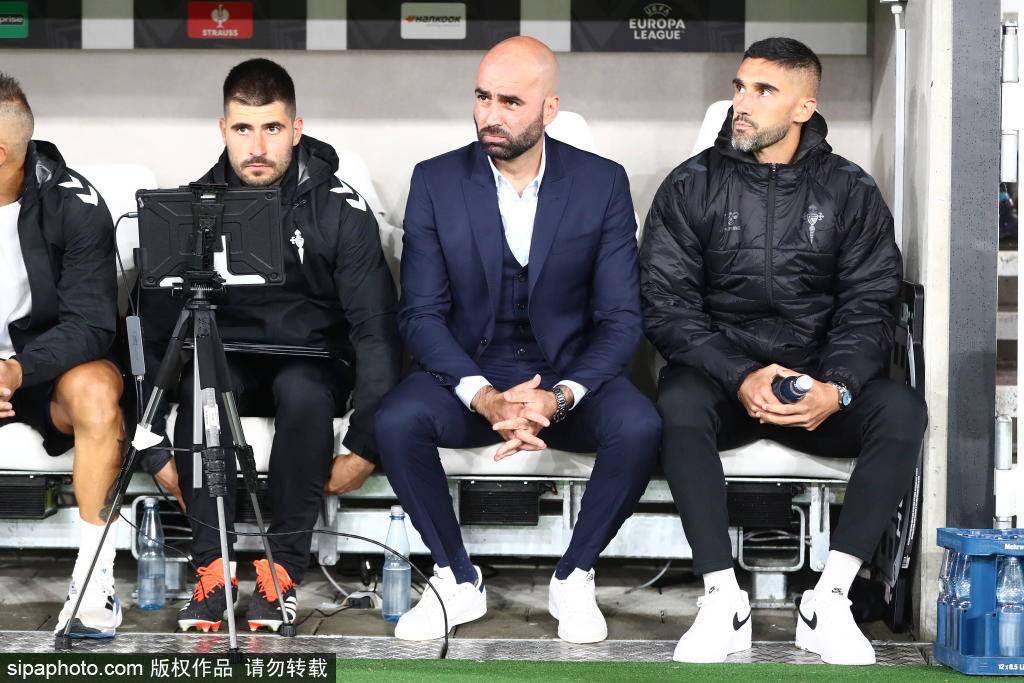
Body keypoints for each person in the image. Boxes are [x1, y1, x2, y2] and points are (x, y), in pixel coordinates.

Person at [641, 37, 928, 666]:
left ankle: (830, 598)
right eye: (740, 86)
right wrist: (741, 375)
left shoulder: (849, 189)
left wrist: (837, 387)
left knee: (901, 410)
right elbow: (666, 306)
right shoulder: (691, 185)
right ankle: (722, 598)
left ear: (804, 107)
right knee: (677, 402)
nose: (741, 103)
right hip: (723, 384)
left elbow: (870, 304)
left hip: (814, 389)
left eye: (763, 90)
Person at [376, 36, 661, 644]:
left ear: (549, 109)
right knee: (396, 421)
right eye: (482, 97)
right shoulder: (435, 180)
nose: (490, 115)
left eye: (510, 102)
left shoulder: (601, 183)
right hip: (469, 373)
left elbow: (621, 318)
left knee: (639, 426)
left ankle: (574, 575)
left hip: (567, 374)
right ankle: (456, 578)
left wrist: (559, 397)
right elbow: (421, 314)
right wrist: (483, 396)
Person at [139, 58, 401, 633]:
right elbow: (157, 333)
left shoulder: (341, 210)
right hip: (225, 356)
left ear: (297, 128)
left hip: (313, 361)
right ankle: (212, 572)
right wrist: (153, 445)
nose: (257, 147)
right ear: (223, 129)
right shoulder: (192, 209)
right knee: (205, 386)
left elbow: (376, 330)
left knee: (303, 391)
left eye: (272, 128)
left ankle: (280, 574)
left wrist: (365, 444)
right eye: (243, 128)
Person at [0, 73, 124, 638]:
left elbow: (91, 324)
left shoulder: (75, 205)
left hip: (44, 372)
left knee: (96, 392)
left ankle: (95, 582)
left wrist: (16, 369)